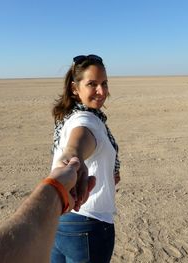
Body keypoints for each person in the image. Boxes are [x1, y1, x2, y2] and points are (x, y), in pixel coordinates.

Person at [0, 157, 95, 263]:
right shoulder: (86, 118)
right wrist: (57, 188)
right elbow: (76, 145)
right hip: (86, 219)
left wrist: (58, 188)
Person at [51, 54, 121, 263]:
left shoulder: (69, 118)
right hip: (89, 225)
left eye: (104, 83)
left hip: (60, 220)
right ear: (75, 88)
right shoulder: (85, 120)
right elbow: (77, 143)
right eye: (92, 84)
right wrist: (74, 158)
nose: (101, 92)